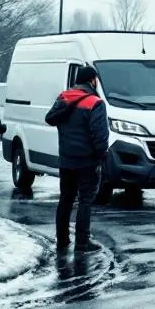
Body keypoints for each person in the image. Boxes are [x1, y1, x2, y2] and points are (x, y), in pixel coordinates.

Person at [44, 66, 110, 252]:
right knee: (85, 200)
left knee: (65, 199)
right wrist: (101, 155)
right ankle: (82, 242)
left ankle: (62, 239)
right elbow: (99, 135)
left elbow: (50, 119)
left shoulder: (63, 98)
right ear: (92, 80)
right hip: (87, 161)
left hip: (66, 159)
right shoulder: (95, 102)